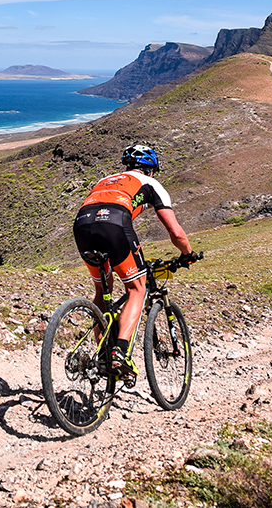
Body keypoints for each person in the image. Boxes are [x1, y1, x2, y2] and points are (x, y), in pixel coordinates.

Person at [72, 144, 198, 381]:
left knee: (102, 289)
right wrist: (187, 254)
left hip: (82, 224)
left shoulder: (105, 180)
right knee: (136, 288)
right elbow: (176, 232)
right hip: (115, 224)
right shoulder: (151, 184)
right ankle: (119, 353)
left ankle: (103, 354)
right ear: (151, 170)